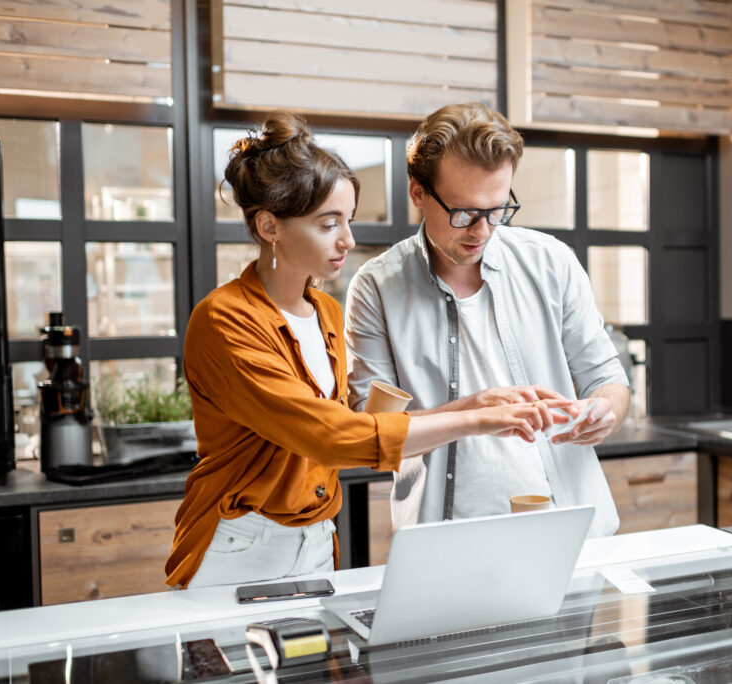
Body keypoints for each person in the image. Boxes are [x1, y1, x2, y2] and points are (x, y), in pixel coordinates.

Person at [165, 110, 570, 589]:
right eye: (327, 223)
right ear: (270, 226)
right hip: (237, 542)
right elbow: (329, 438)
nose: (348, 240)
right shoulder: (225, 320)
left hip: (315, 540)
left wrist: (474, 403)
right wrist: (479, 420)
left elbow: (361, 427)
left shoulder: (326, 314)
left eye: (349, 220)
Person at [345, 102, 630, 537]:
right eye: (464, 213)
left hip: (571, 530)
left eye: (497, 210)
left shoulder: (551, 261)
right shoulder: (377, 287)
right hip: (444, 543)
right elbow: (372, 433)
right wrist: (472, 409)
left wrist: (604, 410)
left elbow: (608, 378)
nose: (482, 231)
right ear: (418, 192)